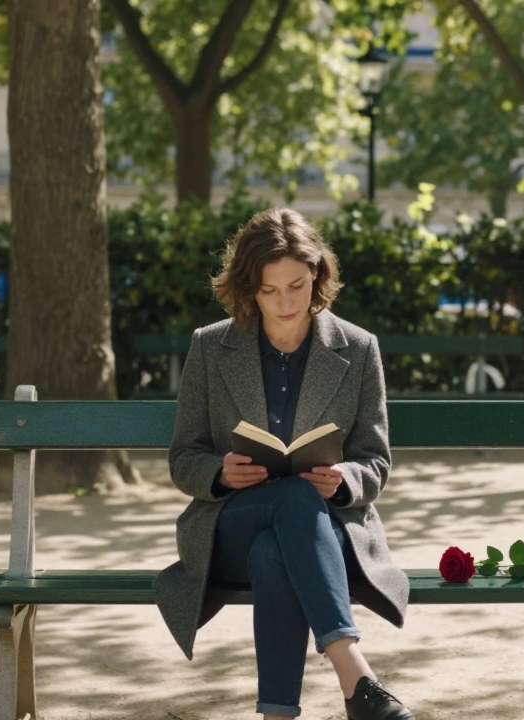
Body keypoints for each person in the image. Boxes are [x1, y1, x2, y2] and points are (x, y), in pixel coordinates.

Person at [154, 208, 415, 720]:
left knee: (278, 549)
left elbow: (376, 461)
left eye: (296, 285)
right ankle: (354, 673)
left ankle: (277, 715)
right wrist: (219, 472)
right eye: (270, 290)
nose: (286, 302)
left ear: (317, 274)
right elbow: (184, 456)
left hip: (327, 531)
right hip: (230, 526)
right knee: (287, 506)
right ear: (249, 288)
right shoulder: (211, 346)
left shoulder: (359, 349)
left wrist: (345, 481)